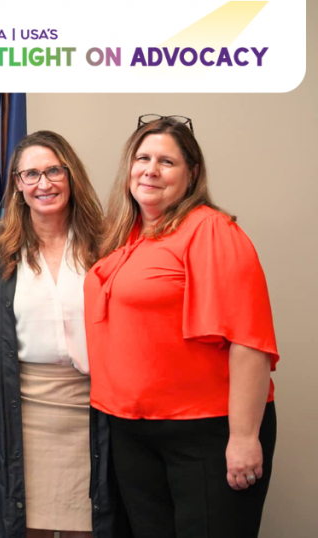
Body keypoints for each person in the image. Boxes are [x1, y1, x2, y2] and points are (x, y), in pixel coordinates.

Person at [84, 115, 278, 538]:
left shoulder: (211, 230)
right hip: (130, 433)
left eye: (166, 162)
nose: (150, 170)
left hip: (204, 434)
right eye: (143, 158)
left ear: (191, 175)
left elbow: (250, 339)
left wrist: (244, 437)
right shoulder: (123, 237)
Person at [0, 131, 126, 538]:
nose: (43, 184)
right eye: (31, 174)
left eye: (53, 171)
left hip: (93, 417)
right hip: (20, 420)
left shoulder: (105, 244)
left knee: (91, 528)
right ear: (17, 183)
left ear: (71, 175)